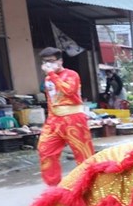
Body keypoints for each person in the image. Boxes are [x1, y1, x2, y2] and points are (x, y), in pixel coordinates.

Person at [36, 47, 94, 186]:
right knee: (45, 150)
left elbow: (69, 91)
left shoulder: (71, 74)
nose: (48, 64)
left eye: (51, 61)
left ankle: (90, 184)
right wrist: (50, 119)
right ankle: (53, 187)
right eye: (45, 62)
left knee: (83, 153)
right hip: (54, 119)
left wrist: (52, 74)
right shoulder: (48, 78)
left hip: (73, 118)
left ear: (60, 61)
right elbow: (51, 100)